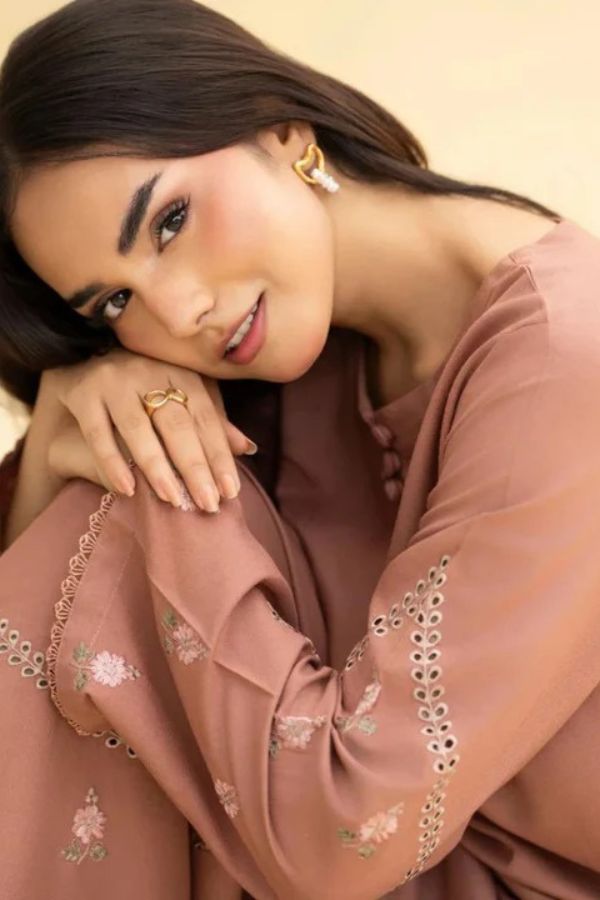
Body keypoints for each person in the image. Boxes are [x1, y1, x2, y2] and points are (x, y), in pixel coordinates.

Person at [1, 0, 600, 897]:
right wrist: (63, 419)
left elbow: (344, 833)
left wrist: (175, 501)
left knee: (137, 478)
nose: (175, 314)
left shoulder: (566, 360)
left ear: (282, 130)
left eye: (167, 223)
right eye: (114, 304)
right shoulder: (290, 358)